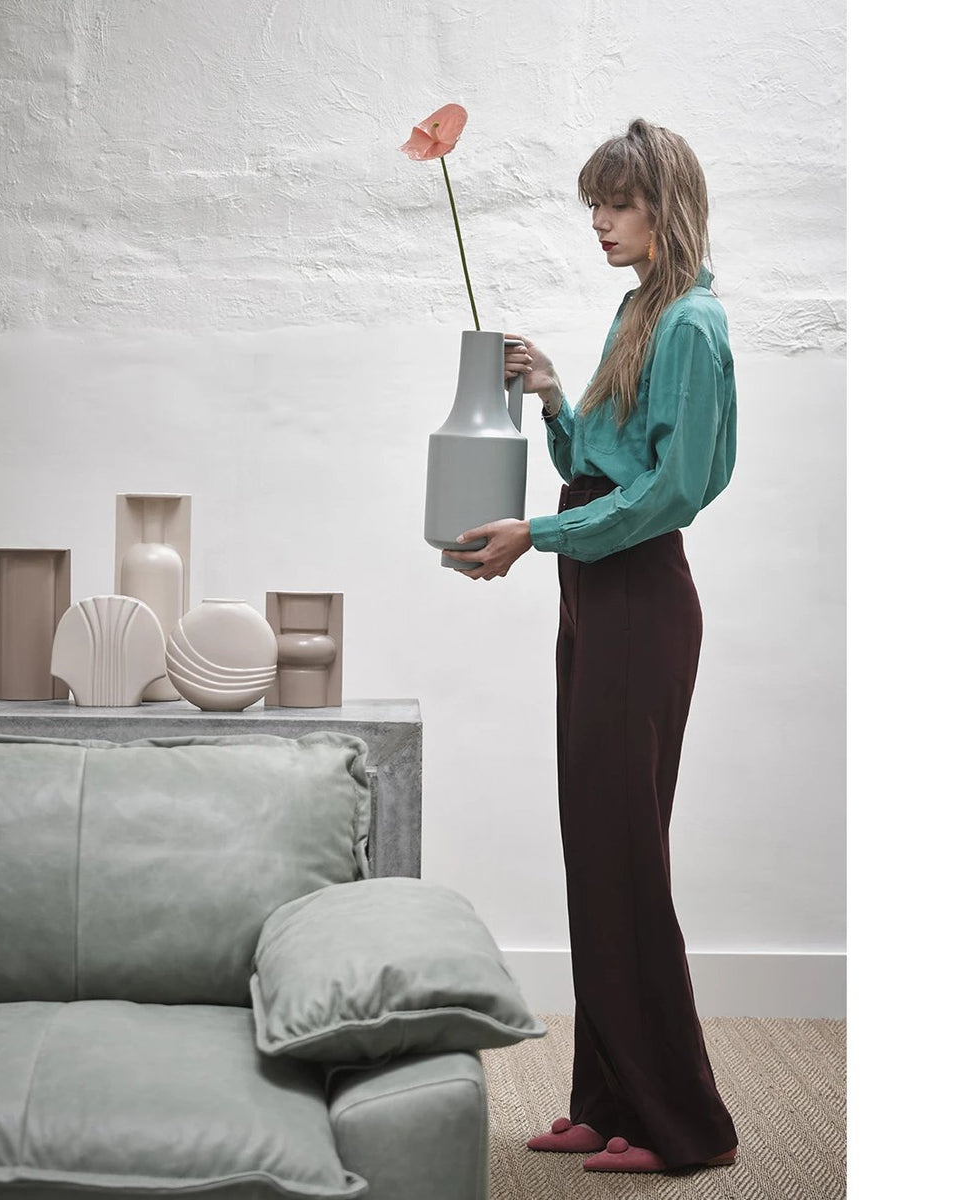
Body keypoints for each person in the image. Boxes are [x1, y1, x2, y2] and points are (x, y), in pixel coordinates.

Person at [444, 117, 740, 1174]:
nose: (602, 226)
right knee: (593, 857)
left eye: (616, 205)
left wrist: (539, 534)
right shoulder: (636, 312)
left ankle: (682, 1125)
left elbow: (665, 497)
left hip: (641, 603)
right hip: (594, 598)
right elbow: (607, 458)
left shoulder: (694, 327)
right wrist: (557, 398)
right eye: (594, 208)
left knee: (628, 861)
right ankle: (608, 1098)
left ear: (666, 204)